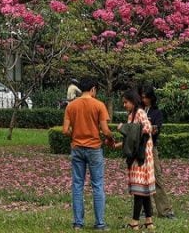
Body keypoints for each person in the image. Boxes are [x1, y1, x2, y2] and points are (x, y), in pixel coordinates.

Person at [63, 77, 114, 231]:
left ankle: (78, 223)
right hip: (94, 148)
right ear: (93, 89)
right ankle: (99, 223)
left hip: (77, 148)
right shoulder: (99, 105)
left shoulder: (71, 106)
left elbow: (65, 130)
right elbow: (105, 130)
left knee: (77, 185)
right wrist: (110, 138)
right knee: (97, 185)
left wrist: (75, 134)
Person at [114, 89, 158, 229]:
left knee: (139, 189)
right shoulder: (131, 115)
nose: (124, 105)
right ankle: (149, 221)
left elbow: (147, 129)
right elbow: (131, 139)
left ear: (133, 101)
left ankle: (134, 221)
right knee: (144, 190)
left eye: (126, 102)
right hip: (138, 156)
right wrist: (118, 144)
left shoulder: (140, 113)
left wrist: (124, 128)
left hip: (142, 157)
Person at [139, 86, 175, 219]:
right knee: (142, 179)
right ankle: (144, 209)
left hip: (151, 148)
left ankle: (165, 210)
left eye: (146, 97)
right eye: (142, 97)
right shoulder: (139, 111)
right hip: (140, 148)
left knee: (157, 178)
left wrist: (149, 128)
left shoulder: (156, 113)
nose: (144, 99)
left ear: (151, 98)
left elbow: (156, 130)